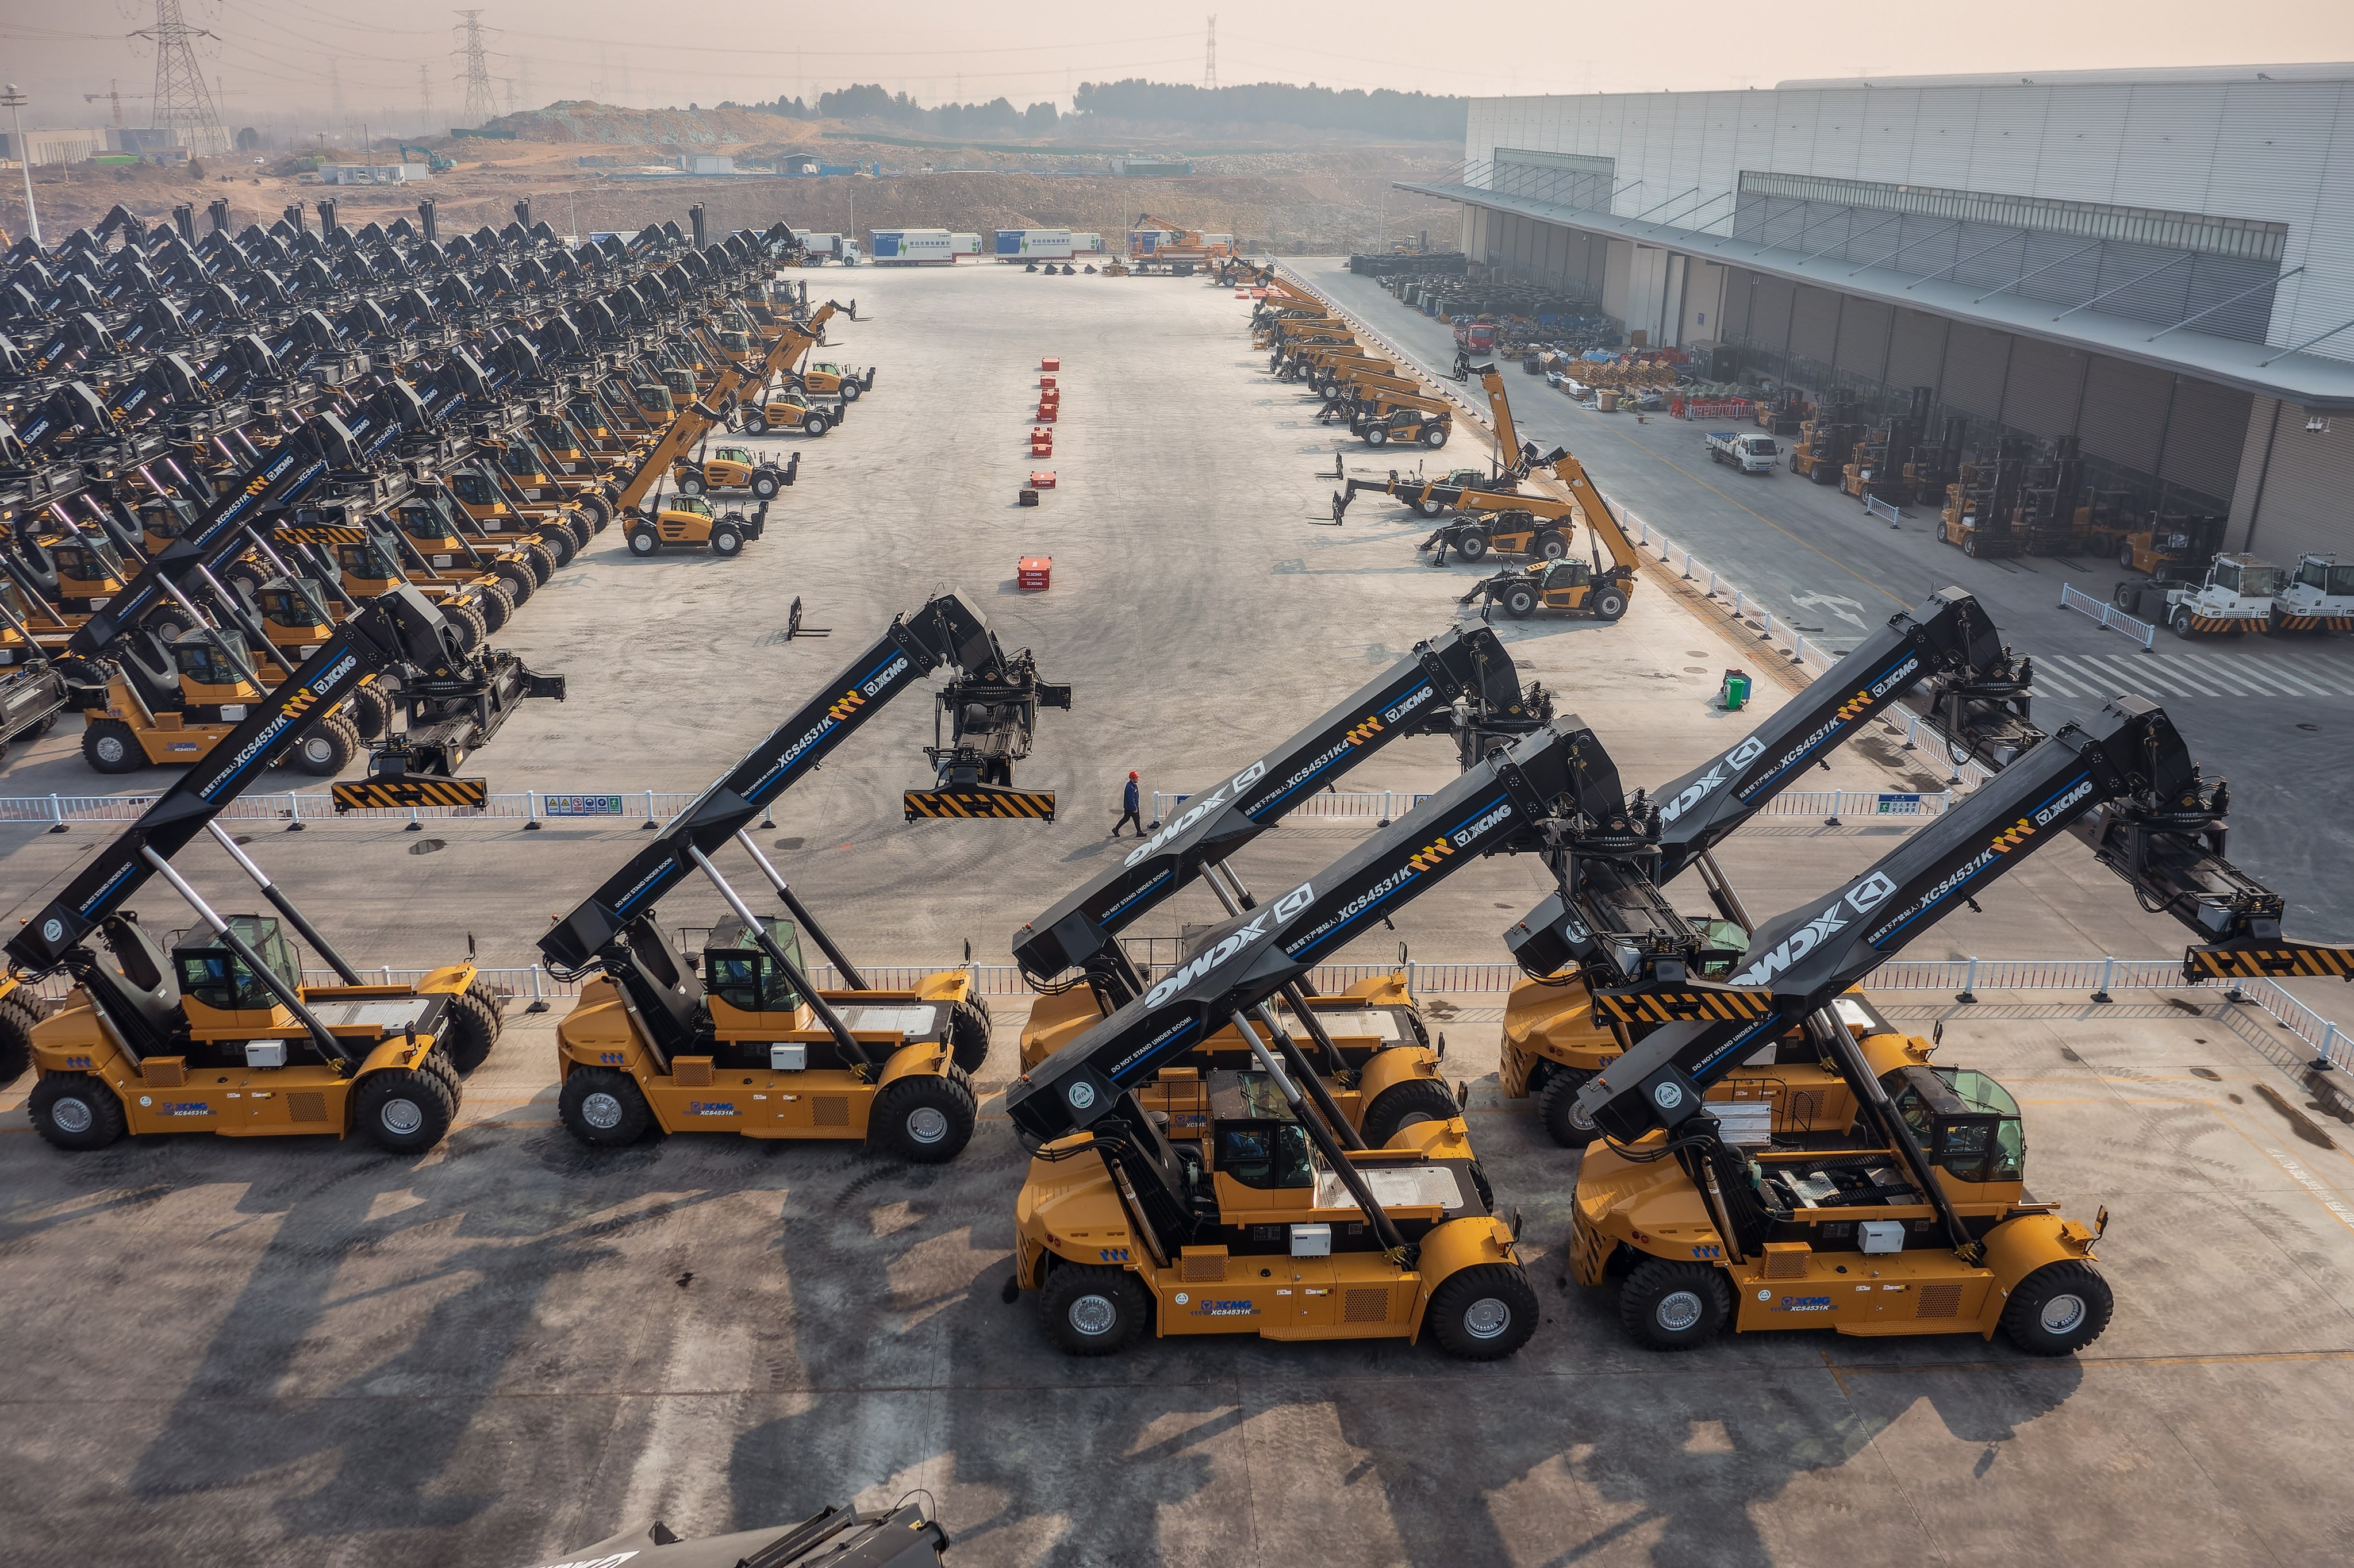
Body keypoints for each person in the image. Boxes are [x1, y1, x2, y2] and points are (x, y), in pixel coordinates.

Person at [1112, 771, 1143, 838]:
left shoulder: (1132, 785)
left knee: (1130, 819)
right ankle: (1139, 832)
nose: (1138, 779)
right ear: (1132, 779)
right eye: (1136, 778)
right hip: (1131, 808)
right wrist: (1135, 808)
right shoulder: (1130, 787)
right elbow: (1131, 799)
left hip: (1131, 807)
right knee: (1133, 819)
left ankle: (1139, 832)